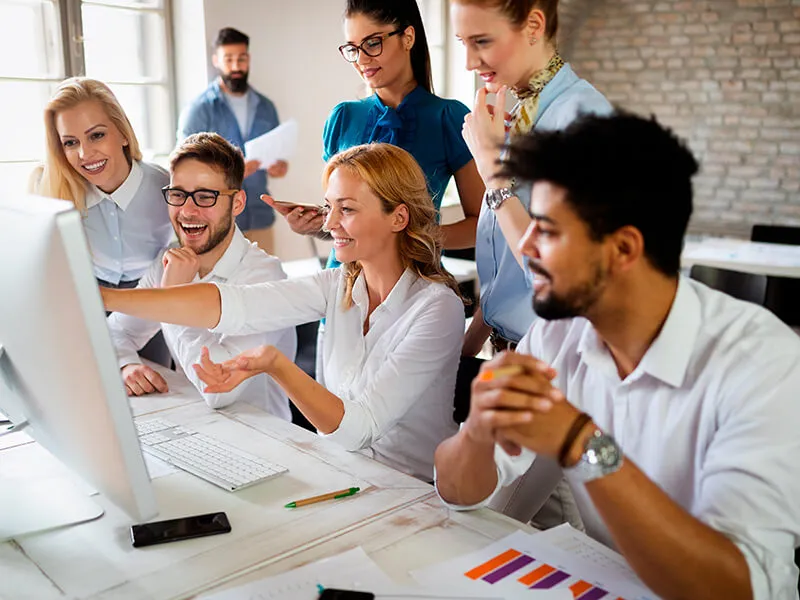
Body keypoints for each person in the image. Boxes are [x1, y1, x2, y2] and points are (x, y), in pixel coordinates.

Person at [434, 112, 800, 600]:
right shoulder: (556, 337)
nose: (524, 243)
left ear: (624, 248)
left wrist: (581, 441)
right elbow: (457, 494)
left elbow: (737, 587)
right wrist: (477, 434)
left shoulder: (763, 363)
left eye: (547, 229)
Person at [101, 143, 464, 482]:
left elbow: (360, 429)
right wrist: (103, 298)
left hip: (413, 492)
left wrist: (275, 364)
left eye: (347, 209)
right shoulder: (336, 285)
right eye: (329, 207)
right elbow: (235, 305)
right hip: (340, 475)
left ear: (398, 217)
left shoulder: (436, 306)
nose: (329, 222)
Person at [451, 0, 612, 356]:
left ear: (534, 26)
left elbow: (556, 275)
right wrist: (465, 351)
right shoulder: (522, 113)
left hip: (553, 363)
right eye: (462, 41)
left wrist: (492, 171)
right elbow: (508, 274)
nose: (468, 63)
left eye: (482, 41)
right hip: (505, 352)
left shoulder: (584, 121)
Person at [266, 0, 484, 262]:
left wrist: (412, 236)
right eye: (352, 48)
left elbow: (481, 224)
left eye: (372, 43)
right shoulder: (342, 118)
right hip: (343, 283)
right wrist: (319, 225)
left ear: (408, 37)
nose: (361, 60)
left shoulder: (449, 118)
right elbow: (345, 224)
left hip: (413, 282)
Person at [106, 133, 295, 419]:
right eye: (178, 195)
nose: (187, 211)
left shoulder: (265, 279)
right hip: (192, 425)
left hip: (262, 440)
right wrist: (125, 366)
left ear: (238, 203)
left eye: (206, 196)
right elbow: (115, 333)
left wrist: (173, 298)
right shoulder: (169, 262)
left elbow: (218, 388)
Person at [32, 77, 173, 290]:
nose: (85, 154)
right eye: (70, 142)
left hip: (155, 294)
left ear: (123, 134)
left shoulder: (166, 187)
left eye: (97, 135)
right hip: (89, 297)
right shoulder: (55, 191)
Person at [177, 27, 288, 256]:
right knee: (222, 290)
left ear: (248, 58)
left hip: (260, 218)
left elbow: (277, 155)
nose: (236, 66)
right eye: (229, 59)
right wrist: (236, 170)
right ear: (216, 60)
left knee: (264, 288)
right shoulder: (199, 109)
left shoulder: (266, 107)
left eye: (241, 58)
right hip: (217, 223)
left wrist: (279, 167)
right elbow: (183, 166)